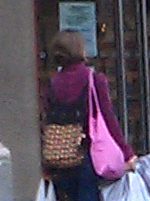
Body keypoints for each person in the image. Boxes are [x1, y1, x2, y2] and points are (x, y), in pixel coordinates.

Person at [45, 29, 117, 201]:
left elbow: (47, 117)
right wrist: (126, 152)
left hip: (59, 155)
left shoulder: (53, 82)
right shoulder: (93, 79)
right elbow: (107, 117)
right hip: (87, 153)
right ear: (80, 50)